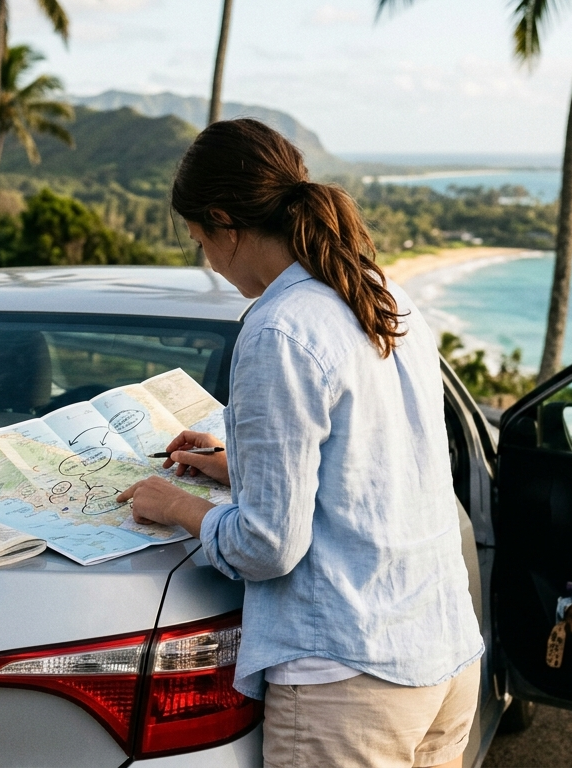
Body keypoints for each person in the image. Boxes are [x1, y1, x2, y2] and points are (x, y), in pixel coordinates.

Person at [116, 119, 483, 768]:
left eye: (201, 240)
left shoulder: (278, 329)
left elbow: (267, 545)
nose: (209, 258)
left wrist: (176, 505)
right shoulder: (383, 294)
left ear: (224, 223)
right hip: (443, 656)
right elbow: (373, 470)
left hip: (349, 680)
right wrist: (239, 467)